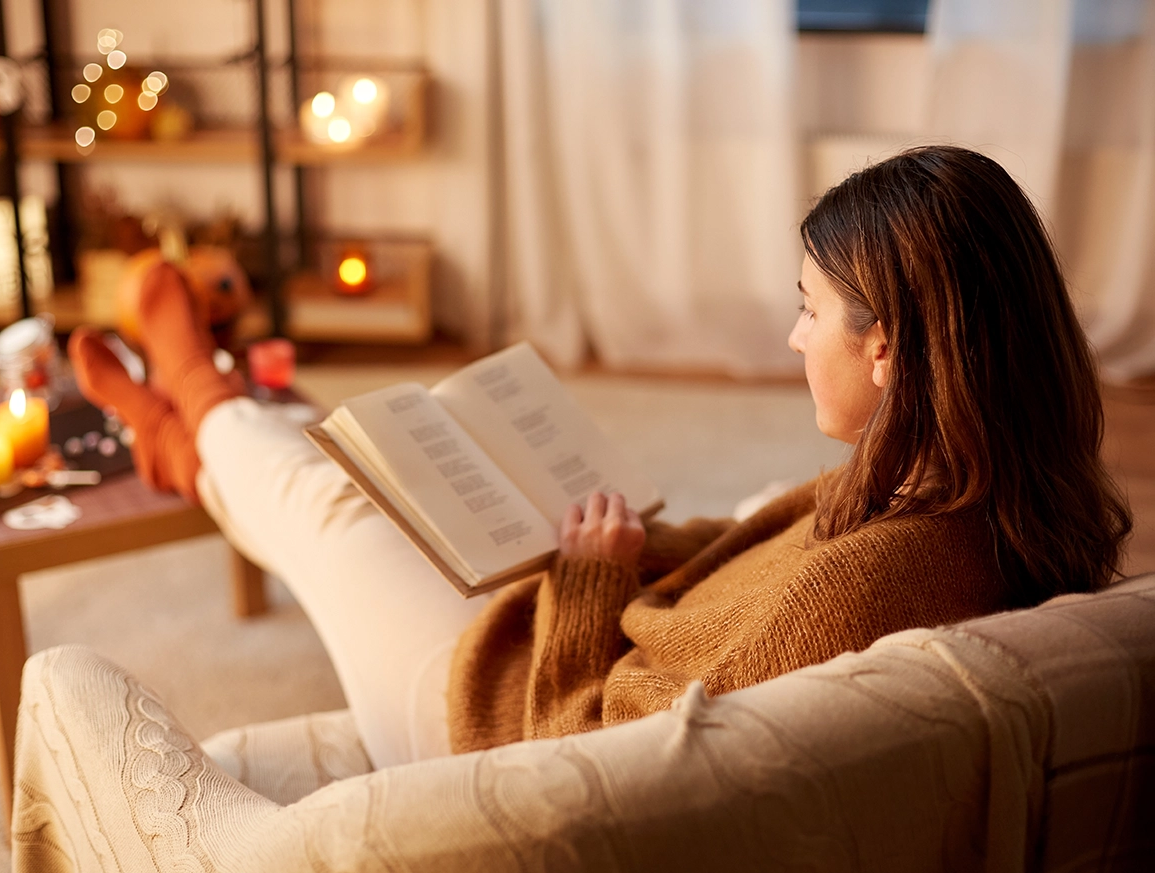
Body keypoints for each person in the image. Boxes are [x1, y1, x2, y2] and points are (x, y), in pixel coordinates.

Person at [68, 144, 1131, 770]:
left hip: (493, 715)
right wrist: (626, 551)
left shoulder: (865, 585)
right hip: (583, 629)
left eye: (809, 310)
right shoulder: (973, 486)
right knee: (362, 479)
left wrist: (584, 585)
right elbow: (755, 555)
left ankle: (188, 397)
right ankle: (193, 419)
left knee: (327, 504)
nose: (793, 336)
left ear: (886, 346)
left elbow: (585, 752)